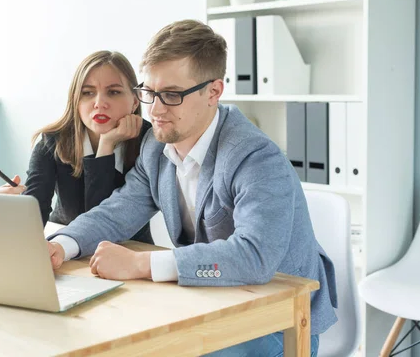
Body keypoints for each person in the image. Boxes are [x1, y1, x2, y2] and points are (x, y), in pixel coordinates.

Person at [46, 20, 337, 356]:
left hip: (275, 320)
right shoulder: (157, 149)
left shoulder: (255, 157)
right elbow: (117, 212)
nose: (154, 110)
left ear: (213, 92)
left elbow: (254, 256)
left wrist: (142, 265)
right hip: (211, 300)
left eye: (170, 95)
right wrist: (61, 247)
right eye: (149, 93)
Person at [0, 50, 153, 244]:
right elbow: (33, 216)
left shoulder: (149, 140)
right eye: (88, 93)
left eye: (114, 92)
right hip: (64, 244)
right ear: (75, 101)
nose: (99, 103)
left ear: (135, 101)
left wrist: (106, 145)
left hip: (132, 249)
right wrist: (3, 208)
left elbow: (101, 225)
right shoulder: (52, 141)